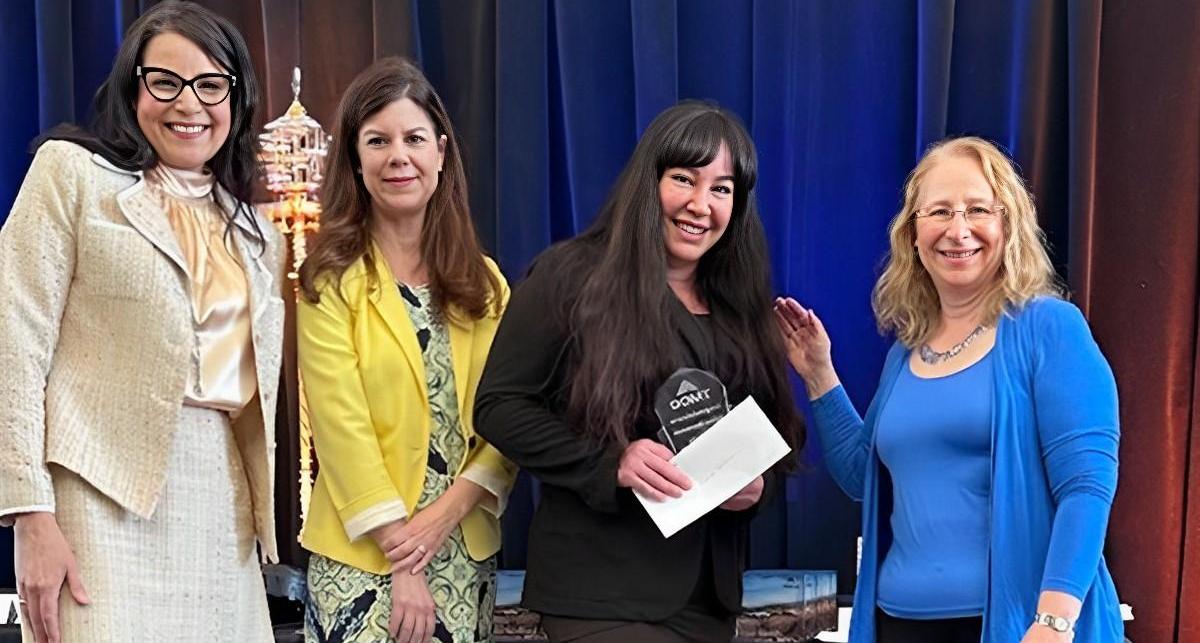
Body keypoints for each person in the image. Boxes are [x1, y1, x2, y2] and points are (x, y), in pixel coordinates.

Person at [0, 2, 285, 641]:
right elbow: (12, 340)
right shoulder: (71, 175)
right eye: (166, 81)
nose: (190, 104)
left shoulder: (258, 235)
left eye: (212, 85)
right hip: (96, 498)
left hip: (221, 509)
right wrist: (29, 512)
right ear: (134, 90)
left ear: (236, 100)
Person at [473, 101, 804, 643]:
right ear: (648, 182)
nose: (702, 205)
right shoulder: (570, 276)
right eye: (684, 179)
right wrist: (612, 462)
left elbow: (775, 437)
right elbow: (500, 407)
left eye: (722, 189)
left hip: (709, 600)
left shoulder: (739, 306)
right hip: (600, 591)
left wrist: (758, 488)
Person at [774, 136, 1124, 642]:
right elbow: (861, 476)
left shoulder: (1050, 328)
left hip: (1014, 625)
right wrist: (819, 375)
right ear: (913, 234)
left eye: (978, 209)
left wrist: (1053, 622)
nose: (958, 230)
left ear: (1008, 225)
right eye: (938, 211)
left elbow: (1087, 487)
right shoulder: (906, 351)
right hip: (898, 623)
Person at [297, 57, 517, 643]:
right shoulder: (326, 280)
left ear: (441, 152)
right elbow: (341, 430)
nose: (399, 156)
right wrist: (404, 557)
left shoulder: (487, 284)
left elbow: (510, 422)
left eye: (414, 138)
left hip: (463, 551)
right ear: (355, 160)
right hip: (364, 555)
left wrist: (442, 520)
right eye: (378, 141)